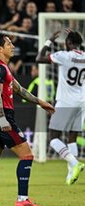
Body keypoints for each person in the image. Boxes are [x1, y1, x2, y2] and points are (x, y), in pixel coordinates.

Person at [0, 34, 55, 206]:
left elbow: (20, 90)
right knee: (27, 155)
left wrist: (40, 102)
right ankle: (23, 199)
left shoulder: (3, 68)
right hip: (1, 116)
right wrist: (3, 119)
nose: (12, 46)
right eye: (9, 43)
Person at [36, 29, 85, 185]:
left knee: (53, 138)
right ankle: (71, 173)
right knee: (72, 137)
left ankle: (74, 163)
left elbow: (39, 58)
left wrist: (49, 40)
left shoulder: (64, 55)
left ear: (68, 43)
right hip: (81, 102)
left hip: (65, 102)